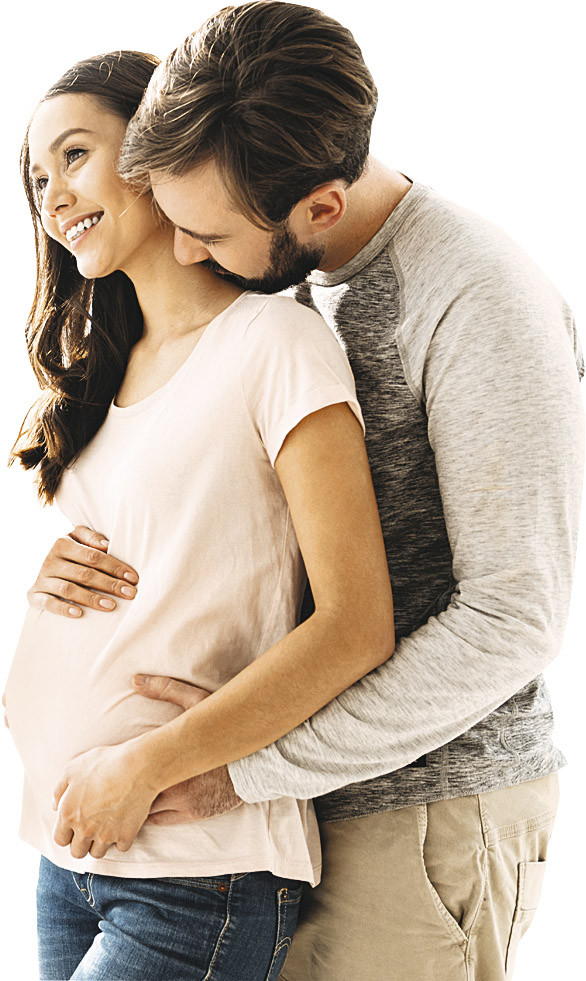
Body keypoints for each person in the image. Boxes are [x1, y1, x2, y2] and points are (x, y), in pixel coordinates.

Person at [14, 2, 584, 978]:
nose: (185, 252)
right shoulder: (294, 274)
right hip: (293, 802)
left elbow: (513, 617)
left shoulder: (474, 296)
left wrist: (239, 766)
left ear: (318, 208)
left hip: (421, 811)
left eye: (204, 232)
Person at [3, 47, 396, 981]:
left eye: (74, 154)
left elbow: (357, 623)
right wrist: (44, 576)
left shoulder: (276, 342)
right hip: (70, 856)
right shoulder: (101, 371)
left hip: (196, 872)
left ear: (153, 152)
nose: (53, 195)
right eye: (36, 177)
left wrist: (142, 766)